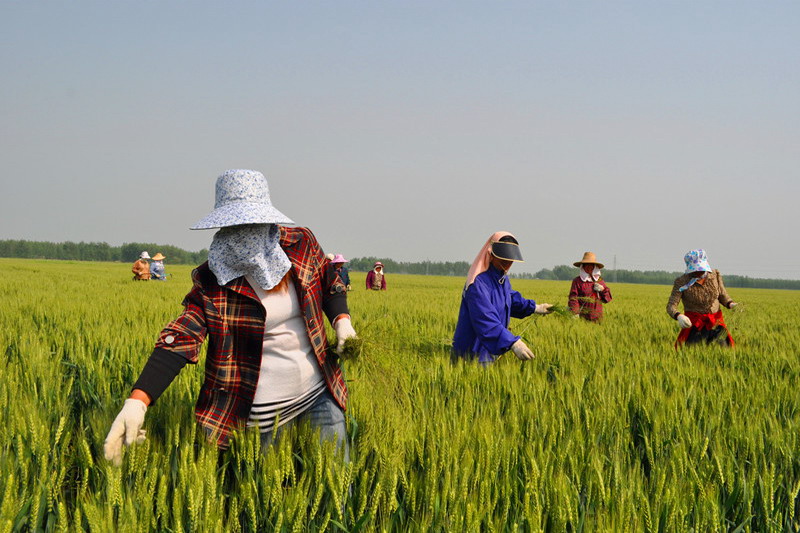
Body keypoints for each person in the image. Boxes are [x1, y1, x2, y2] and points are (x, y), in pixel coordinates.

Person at [104, 169, 358, 465]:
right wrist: (138, 400)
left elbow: (329, 281)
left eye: (254, 220)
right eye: (237, 222)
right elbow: (182, 336)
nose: (246, 230)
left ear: (267, 218)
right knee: (267, 491)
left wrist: (341, 320)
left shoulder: (301, 244)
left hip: (319, 395)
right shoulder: (213, 278)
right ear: (224, 223)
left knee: (338, 484)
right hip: (259, 419)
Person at [452, 232, 554, 364]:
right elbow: (485, 319)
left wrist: (535, 307)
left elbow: (509, 299)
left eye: (510, 258)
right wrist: (513, 343)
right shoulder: (478, 284)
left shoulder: (502, 280)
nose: (507, 262)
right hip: (472, 352)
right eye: (503, 257)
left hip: (490, 351)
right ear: (491, 254)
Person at [667, 249, 737, 348]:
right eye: (696, 269)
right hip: (695, 325)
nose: (699, 271)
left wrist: (730, 304)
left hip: (716, 323)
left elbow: (722, 294)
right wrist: (678, 316)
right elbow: (671, 306)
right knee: (692, 352)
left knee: (725, 350)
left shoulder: (715, 276)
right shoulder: (681, 282)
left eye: (701, 268)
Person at [568, 252, 612, 321]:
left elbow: (607, 299)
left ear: (595, 267)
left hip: (597, 318)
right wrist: (575, 312)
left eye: (591, 265)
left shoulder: (599, 281)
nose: (589, 267)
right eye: (586, 265)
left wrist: (603, 290)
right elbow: (573, 298)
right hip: (582, 317)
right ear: (583, 266)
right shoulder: (577, 281)